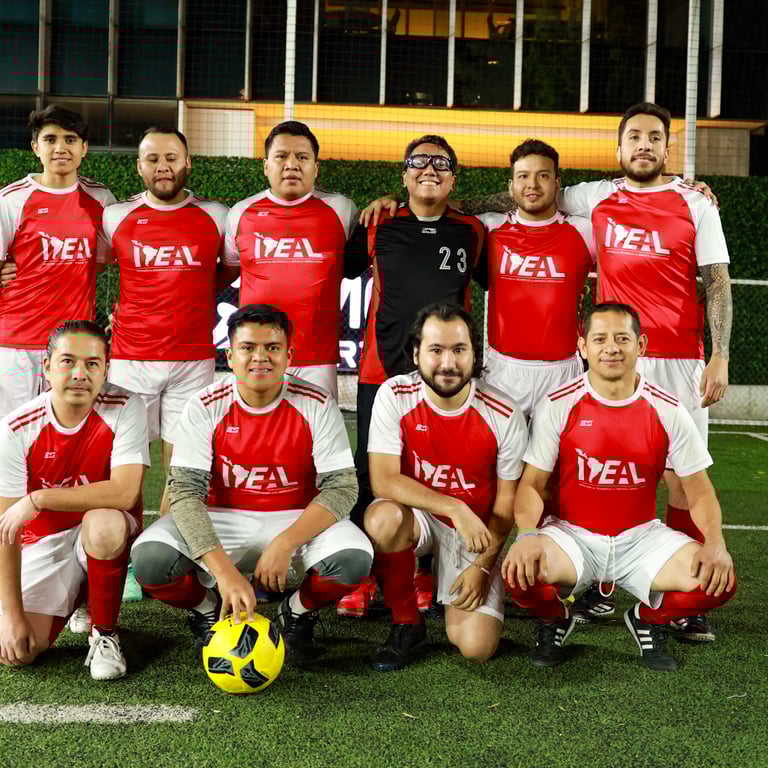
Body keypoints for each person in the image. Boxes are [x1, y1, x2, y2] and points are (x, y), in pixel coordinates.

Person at [130, 304, 373, 665]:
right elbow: (184, 491)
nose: (260, 357)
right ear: (230, 356)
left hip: (295, 517)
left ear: (289, 355)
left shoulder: (317, 403)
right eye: (247, 347)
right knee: (150, 561)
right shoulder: (205, 405)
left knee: (354, 559)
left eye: (272, 347)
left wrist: (287, 541)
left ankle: (296, 612)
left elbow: (342, 487)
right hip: (221, 517)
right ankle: (208, 610)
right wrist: (224, 573)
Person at [502, 302, 735, 672]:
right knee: (520, 572)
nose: (611, 347)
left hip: (641, 539)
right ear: (582, 347)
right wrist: (527, 534)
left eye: (622, 339)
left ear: (641, 345)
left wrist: (715, 543)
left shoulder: (669, 409)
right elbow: (532, 483)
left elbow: (699, 490)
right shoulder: (558, 403)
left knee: (720, 582)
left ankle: (648, 619)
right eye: (600, 339)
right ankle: (555, 617)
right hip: (573, 536)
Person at [339, 134, 486, 618]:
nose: (429, 170)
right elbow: (338, 267)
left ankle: (424, 573)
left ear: (453, 179)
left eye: (441, 164)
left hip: (445, 377)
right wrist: (377, 204)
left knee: (437, 469)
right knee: (369, 473)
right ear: (404, 175)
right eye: (419, 162)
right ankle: (364, 577)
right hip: (381, 371)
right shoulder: (377, 224)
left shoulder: (472, 231)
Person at [364, 303, 527, 671]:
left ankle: (449, 582)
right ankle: (406, 621)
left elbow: (506, 508)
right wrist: (454, 506)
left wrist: (483, 566)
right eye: (436, 350)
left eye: (459, 350)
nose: (448, 363)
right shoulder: (395, 395)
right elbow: (383, 480)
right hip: (421, 516)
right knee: (383, 518)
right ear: (416, 353)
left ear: (474, 355)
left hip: (475, 532)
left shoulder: (503, 413)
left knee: (476, 648)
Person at [0, 320, 149, 680]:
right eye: (68, 361)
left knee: (102, 522)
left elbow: (124, 492)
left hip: (107, 530)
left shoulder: (126, 406)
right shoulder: (16, 429)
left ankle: (105, 634)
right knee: (20, 650)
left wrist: (39, 498)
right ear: (47, 366)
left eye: (92, 363)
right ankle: (82, 593)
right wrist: (12, 615)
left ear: (106, 369)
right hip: (45, 540)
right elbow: (6, 529)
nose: (80, 374)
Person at [102, 126, 229, 518]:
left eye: (171, 158)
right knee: (125, 472)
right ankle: (125, 540)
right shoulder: (115, 217)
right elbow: (89, 262)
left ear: (187, 162)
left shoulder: (218, 216)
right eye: (153, 159)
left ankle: (164, 546)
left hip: (193, 361)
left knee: (182, 471)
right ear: (139, 166)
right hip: (131, 360)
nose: (163, 166)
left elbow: (228, 269)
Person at [223, 121, 359, 401]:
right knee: (256, 427)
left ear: (315, 168)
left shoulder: (342, 210)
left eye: (302, 157)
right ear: (266, 166)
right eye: (281, 156)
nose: (292, 164)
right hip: (256, 356)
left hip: (317, 359)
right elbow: (229, 267)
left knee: (317, 430)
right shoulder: (240, 213)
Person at [0, 106, 115, 419]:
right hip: (16, 345)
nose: (60, 147)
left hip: (73, 344)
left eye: (70, 139)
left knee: (66, 432)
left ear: (84, 148)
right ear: (36, 147)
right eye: (50, 139)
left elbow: (101, 261)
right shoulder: (11, 200)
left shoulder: (101, 200)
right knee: (12, 433)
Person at [475, 138, 594, 419]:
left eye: (543, 176)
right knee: (502, 450)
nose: (533, 185)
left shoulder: (585, 231)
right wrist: (396, 201)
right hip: (503, 371)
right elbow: (435, 210)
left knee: (559, 449)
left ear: (557, 183)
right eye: (523, 176)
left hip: (563, 372)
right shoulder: (489, 227)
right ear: (510, 186)